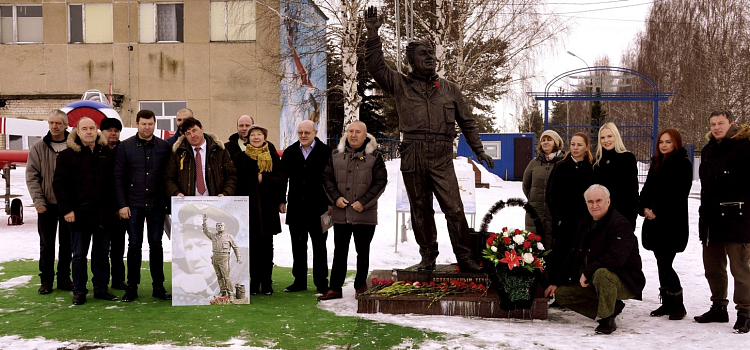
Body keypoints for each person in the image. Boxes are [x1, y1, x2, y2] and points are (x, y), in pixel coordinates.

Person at [364, 6, 493, 272]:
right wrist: (373, 34)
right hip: (413, 152)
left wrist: (478, 149)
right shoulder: (400, 84)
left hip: (442, 155)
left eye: (432, 54)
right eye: (424, 54)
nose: (430, 58)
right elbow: (375, 66)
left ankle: (465, 257)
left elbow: (467, 121)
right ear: (411, 60)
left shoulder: (450, 89)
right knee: (420, 209)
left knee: (455, 209)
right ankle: (428, 256)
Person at [544, 184, 646, 335]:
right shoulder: (585, 223)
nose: (594, 205)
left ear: (608, 202)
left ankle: (607, 319)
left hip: (625, 280)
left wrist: (587, 271)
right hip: (593, 280)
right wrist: (556, 281)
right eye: (590, 202)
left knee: (602, 273)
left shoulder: (620, 224)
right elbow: (573, 254)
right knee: (562, 294)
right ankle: (612, 306)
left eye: (599, 201)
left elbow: (616, 259)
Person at [52, 117, 119, 305]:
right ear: (77, 131)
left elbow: (114, 182)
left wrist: (114, 207)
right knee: (79, 255)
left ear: (96, 130)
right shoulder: (66, 156)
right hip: (78, 215)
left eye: (92, 128)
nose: (89, 131)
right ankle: (79, 291)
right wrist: (67, 210)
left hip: (103, 214)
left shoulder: (107, 153)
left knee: (101, 254)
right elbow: (60, 185)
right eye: (85, 128)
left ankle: (101, 289)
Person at [319, 121, 387, 301]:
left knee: (362, 252)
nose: (354, 135)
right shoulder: (336, 155)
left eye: (358, 132)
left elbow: (380, 183)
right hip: (341, 214)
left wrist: (363, 202)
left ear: (366, 136)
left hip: (365, 214)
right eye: (351, 131)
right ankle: (335, 288)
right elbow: (327, 178)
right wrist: (336, 199)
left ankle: (360, 285)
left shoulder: (375, 157)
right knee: (339, 251)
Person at [695, 111, 750, 333]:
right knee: (713, 267)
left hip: (737, 217)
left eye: (721, 123)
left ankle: (745, 312)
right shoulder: (709, 149)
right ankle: (718, 307)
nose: (716, 127)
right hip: (711, 220)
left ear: (732, 123)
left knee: (740, 269)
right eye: (713, 124)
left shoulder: (745, 146)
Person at [115, 110, 173, 302]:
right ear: (137, 124)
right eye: (143, 124)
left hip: (156, 205)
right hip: (134, 204)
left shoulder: (164, 147)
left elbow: (169, 176)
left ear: (155, 124)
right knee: (134, 244)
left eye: (150, 124)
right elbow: (118, 178)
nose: (147, 127)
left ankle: (158, 286)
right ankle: (132, 287)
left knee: (156, 244)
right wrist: (122, 204)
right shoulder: (125, 147)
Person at [638, 128, 692, 320]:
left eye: (668, 142)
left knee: (665, 263)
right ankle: (668, 303)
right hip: (654, 223)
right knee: (661, 262)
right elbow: (647, 189)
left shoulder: (683, 164)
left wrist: (656, 210)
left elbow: (678, 194)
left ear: (676, 143)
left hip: (672, 223)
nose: (664, 145)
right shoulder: (657, 163)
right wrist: (644, 208)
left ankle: (678, 303)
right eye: (661, 142)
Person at [280, 120, 333, 294]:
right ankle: (299, 280)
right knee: (298, 246)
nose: (303, 135)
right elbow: (283, 179)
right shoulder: (290, 152)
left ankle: (321, 282)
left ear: (315, 132)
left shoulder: (326, 152)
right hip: (296, 208)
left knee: (320, 247)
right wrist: (282, 200)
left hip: (319, 208)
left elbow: (333, 179)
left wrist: (331, 202)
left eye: (307, 132)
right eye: (300, 132)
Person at [25, 109, 73, 294]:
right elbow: (31, 176)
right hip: (47, 205)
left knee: (67, 244)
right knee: (46, 245)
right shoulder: (38, 147)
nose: (55, 126)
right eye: (52, 123)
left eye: (58, 123)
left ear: (66, 125)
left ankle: (64, 279)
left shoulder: (74, 146)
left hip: (68, 206)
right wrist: (38, 202)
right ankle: (46, 281)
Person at [233, 124, 284, 295]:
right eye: (253, 135)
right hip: (248, 209)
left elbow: (281, 179)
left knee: (267, 247)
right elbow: (236, 182)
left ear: (265, 137)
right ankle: (254, 282)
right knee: (252, 248)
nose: (256, 137)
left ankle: (267, 282)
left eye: (259, 134)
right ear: (247, 138)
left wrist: (264, 179)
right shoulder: (240, 158)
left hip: (268, 209)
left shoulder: (272, 157)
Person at [546, 132, 593, 286]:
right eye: (573, 144)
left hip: (584, 220)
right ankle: (557, 288)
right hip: (564, 221)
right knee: (560, 253)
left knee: (579, 253)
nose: (575, 148)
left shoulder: (591, 168)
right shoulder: (561, 166)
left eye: (579, 145)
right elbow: (551, 194)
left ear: (586, 147)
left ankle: (575, 288)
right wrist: (558, 217)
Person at [164, 117, 236, 198]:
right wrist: (176, 193)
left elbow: (231, 176)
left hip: (216, 202)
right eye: (188, 133)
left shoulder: (219, 150)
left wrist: (225, 194)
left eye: (194, 130)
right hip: (187, 204)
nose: (192, 135)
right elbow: (169, 178)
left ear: (202, 129)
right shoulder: (178, 153)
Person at [591, 122, 639, 229]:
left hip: (622, 216)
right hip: (600, 218)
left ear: (616, 137)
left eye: (609, 136)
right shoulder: (597, 161)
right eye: (602, 137)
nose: (606, 140)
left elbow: (633, 191)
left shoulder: (627, 158)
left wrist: (631, 219)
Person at [100, 117, 129, 290]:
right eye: (109, 130)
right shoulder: (96, 149)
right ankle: (101, 281)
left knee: (118, 246)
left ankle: (118, 279)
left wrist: (122, 204)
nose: (113, 134)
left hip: (120, 207)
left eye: (116, 131)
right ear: (102, 132)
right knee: (101, 247)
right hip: (101, 208)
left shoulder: (124, 149)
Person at [522, 130, 564, 248]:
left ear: (556, 143)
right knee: (533, 246)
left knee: (552, 246)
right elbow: (526, 185)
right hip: (535, 211)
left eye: (549, 139)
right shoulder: (534, 163)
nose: (545, 142)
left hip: (554, 213)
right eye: (543, 140)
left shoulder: (563, 162)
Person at [202, 214, 242, 298]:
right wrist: (205, 221)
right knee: (219, 276)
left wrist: (239, 257)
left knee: (226, 277)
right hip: (215, 257)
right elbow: (206, 231)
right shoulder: (213, 236)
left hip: (224, 258)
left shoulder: (229, 237)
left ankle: (230, 293)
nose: (220, 227)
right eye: (218, 225)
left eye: (221, 225)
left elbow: (235, 247)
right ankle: (222, 291)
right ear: (216, 228)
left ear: (225, 227)